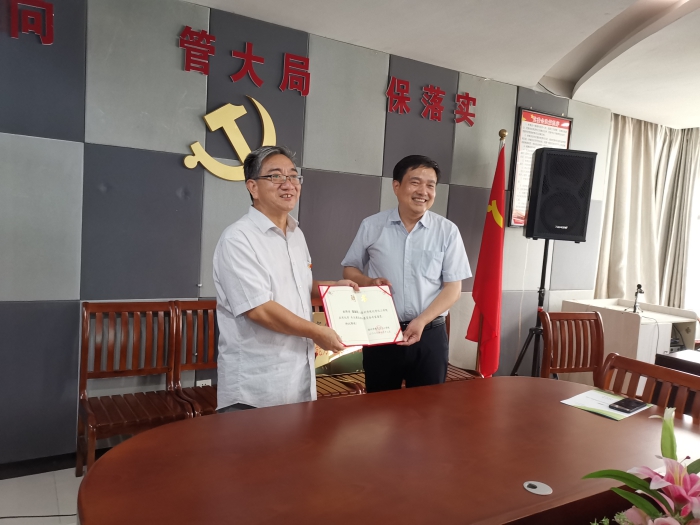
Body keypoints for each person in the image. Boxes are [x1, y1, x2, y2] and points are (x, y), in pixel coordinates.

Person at [213, 145, 358, 412]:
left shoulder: (295, 234)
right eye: (275, 176)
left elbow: (298, 286)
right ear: (253, 187)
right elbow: (259, 309)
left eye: (293, 175)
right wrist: (318, 332)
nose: (288, 184)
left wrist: (332, 289)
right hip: (256, 387)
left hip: (299, 380)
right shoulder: (238, 239)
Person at [341, 155, 470, 392]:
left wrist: (421, 321)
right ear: (396, 186)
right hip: (382, 333)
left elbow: (453, 288)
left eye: (430, 185)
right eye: (415, 182)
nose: (423, 191)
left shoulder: (447, 231)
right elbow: (350, 268)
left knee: (428, 408)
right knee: (381, 408)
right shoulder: (372, 225)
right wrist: (368, 281)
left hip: (429, 335)